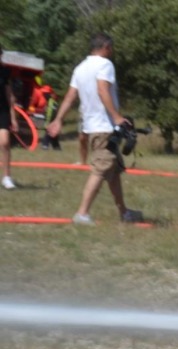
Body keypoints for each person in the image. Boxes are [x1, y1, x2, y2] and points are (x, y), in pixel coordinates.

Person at [46, 33, 142, 225]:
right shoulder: (105, 65)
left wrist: (58, 120)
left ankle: (124, 212)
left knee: (112, 171)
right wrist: (117, 117)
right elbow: (102, 90)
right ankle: (82, 214)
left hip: (92, 127)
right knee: (100, 169)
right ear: (106, 47)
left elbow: (70, 96)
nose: (112, 52)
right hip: (104, 126)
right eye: (111, 48)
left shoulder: (80, 68)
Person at [0, 45, 17, 189]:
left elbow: (10, 95)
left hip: (2, 110)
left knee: (5, 142)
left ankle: (6, 176)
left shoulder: (5, 72)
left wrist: (13, 118)